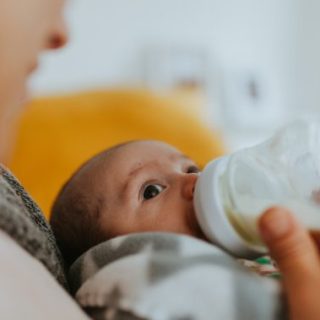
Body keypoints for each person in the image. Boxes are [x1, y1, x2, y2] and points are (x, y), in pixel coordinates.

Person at [0, 0, 319, 318]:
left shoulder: (267, 249)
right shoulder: (150, 281)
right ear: (115, 248)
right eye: (151, 190)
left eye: (191, 167)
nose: (194, 182)